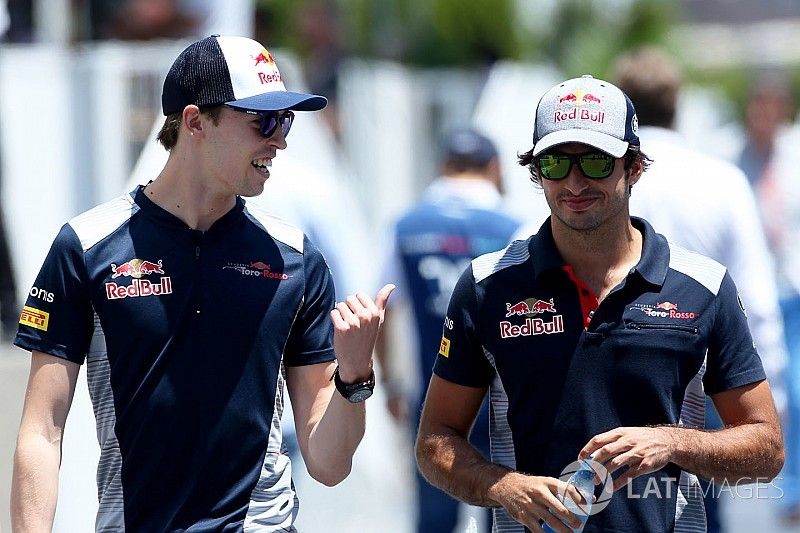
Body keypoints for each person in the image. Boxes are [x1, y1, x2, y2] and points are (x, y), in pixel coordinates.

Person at [11, 35, 394, 532]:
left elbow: (328, 463)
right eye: (264, 121)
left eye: (287, 121)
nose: (280, 140)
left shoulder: (296, 260)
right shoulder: (85, 247)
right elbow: (42, 430)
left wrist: (356, 376)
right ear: (194, 122)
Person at [415, 74, 784, 532]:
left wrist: (670, 443)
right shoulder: (489, 285)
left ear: (634, 168)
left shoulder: (703, 286)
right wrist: (502, 486)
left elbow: (766, 448)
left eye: (594, 162)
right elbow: (435, 441)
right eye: (554, 164)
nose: (573, 183)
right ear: (535, 172)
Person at [613, 48, 790, 532]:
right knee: (696, 510)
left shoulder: (602, 175)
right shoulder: (721, 180)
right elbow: (755, 300)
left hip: (613, 369)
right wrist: (769, 393)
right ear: (677, 103)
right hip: (704, 375)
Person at [376, 128, 520, 532]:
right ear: (494, 168)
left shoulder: (405, 226)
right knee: (509, 511)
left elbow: (382, 307)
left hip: (434, 396)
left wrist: (390, 383)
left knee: (434, 517)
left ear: (443, 167)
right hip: (503, 403)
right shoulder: (514, 224)